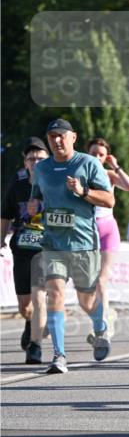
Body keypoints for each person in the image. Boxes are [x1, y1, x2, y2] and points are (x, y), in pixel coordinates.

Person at [28, 118, 115, 374]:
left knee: (86, 300)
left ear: (73, 137)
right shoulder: (42, 169)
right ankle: (59, 355)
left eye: (61, 136)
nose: (56, 140)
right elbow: (36, 197)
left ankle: (101, 327)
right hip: (53, 243)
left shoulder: (87, 163)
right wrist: (35, 206)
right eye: (52, 136)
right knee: (54, 294)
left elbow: (109, 200)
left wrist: (83, 191)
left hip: (83, 243)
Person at [0, 137, 49, 363]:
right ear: (25, 161)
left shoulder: (55, 179)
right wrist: (0, 239)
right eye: (31, 159)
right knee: (24, 305)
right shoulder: (17, 181)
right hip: (21, 247)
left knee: (39, 295)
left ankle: (35, 346)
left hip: (46, 247)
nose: (36, 162)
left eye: (40, 158)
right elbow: (6, 213)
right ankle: (31, 323)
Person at [85, 137, 129, 341]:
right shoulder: (79, 175)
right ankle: (107, 316)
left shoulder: (108, 174)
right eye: (93, 153)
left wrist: (116, 166)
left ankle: (102, 327)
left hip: (107, 230)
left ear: (106, 158)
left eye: (101, 155)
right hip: (86, 232)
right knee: (87, 285)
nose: (96, 157)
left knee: (101, 280)